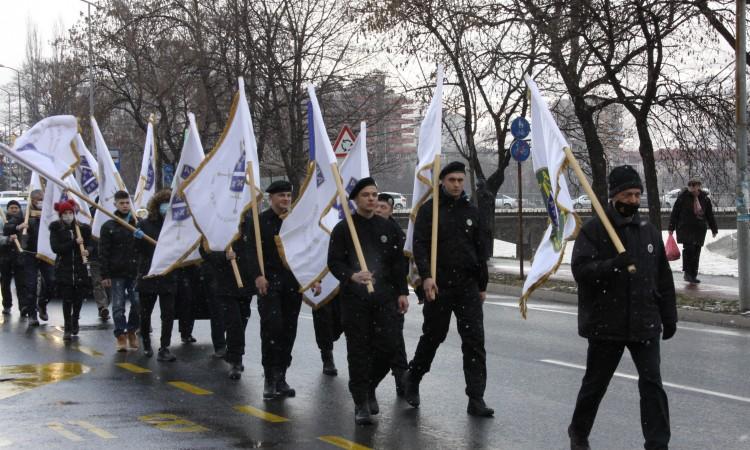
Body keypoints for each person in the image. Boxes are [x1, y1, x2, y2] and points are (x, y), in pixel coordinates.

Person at [567, 165, 677, 450]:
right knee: (595, 384)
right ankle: (578, 432)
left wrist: (669, 315)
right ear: (615, 196)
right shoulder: (594, 231)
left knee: (652, 386)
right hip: (607, 323)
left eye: (637, 194)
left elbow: (663, 277)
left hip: (645, 322)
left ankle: (657, 442)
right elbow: (581, 271)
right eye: (627, 194)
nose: (633, 199)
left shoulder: (649, 232)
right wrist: (612, 266)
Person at [402, 161, 494, 417]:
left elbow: (480, 250)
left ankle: (476, 398)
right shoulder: (430, 210)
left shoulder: (470, 210)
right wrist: (427, 277)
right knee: (434, 336)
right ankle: (414, 378)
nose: (456, 184)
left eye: (460, 180)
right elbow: (420, 245)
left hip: (467, 285)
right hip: (439, 285)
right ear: (441, 181)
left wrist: (482, 285)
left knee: (474, 341)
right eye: (452, 180)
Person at [327, 177, 409, 425]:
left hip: (384, 297)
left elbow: (398, 264)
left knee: (389, 347)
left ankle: (370, 385)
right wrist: (352, 275)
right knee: (359, 351)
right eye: (366, 195)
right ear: (355, 200)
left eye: (375, 195)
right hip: (355, 300)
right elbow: (334, 262)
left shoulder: (389, 228)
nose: (372, 199)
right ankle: (361, 401)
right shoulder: (344, 229)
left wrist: (402, 292)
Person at [248, 180, 320, 399]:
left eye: (288, 196)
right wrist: (258, 276)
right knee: (272, 329)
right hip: (269, 284)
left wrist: (313, 278)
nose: (286, 200)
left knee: (289, 330)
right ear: (271, 198)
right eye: (281, 196)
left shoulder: (295, 222)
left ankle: (281, 376)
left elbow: (306, 251)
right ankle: (269, 378)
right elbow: (251, 251)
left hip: (292, 283)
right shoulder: (260, 222)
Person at [199, 218, 254, 380]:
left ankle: (233, 351)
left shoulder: (252, 225)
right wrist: (224, 256)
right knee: (233, 322)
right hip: (225, 284)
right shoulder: (217, 225)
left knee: (242, 319)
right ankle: (236, 360)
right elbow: (205, 252)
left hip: (247, 282)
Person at [134, 190, 177, 361]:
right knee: (146, 312)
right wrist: (138, 239)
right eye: (163, 204)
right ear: (156, 206)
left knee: (168, 313)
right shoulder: (145, 225)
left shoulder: (175, 225)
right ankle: (145, 342)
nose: (166, 208)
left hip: (168, 274)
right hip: (149, 274)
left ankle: (165, 347)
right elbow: (138, 249)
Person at [374, 192, 408, 397]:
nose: (378, 210)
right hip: (367, 294)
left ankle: (401, 379)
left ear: (391, 210)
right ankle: (367, 387)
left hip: (391, 293)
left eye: (383, 208)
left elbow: (400, 268)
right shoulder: (363, 229)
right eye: (376, 207)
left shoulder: (396, 233)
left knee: (394, 339)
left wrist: (402, 293)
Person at [99, 191, 140, 352]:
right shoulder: (109, 226)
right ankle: (120, 335)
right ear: (115, 204)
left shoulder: (137, 223)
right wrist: (105, 274)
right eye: (121, 203)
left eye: (127, 203)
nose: (124, 206)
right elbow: (103, 252)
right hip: (116, 273)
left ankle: (131, 330)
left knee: (137, 303)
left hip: (134, 271)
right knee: (118, 306)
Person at [49, 200, 93, 341]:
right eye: (65, 213)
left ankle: (75, 318)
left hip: (80, 268)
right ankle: (67, 326)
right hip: (65, 268)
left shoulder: (83, 228)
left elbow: (92, 245)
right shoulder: (56, 228)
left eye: (70, 213)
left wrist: (87, 250)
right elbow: (56, 248)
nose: (68, 216)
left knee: (79, 297)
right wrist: (73, 243)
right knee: (67, 299)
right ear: (61, 215)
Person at [668, 179, 718, 284]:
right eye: (690, 185)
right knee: (689, 249)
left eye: (695, 185)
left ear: (699, 186)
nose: (693, 188)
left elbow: (709, 215)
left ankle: (693, 274)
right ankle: (687, 273)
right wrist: (671, 227)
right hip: (685, 228)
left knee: (696, 251)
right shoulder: (683, 197)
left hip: (699, 229)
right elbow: (675, 213)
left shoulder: (705, 198)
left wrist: (714, 229)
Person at [22, 189, 56, 323]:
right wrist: (20, 227)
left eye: (42, 199)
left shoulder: (49, 214)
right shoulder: (25, 214)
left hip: (45, 254)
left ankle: (42, 303)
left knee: (51, 282)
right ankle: (32, 314)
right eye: (38, 199)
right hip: (30, 254)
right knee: (31, 285)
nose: (40, 202)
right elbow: (10, 226)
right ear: (32, 200)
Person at [1, 200, 28, 321]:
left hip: (19, 256)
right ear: (7, 209)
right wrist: (8, 239)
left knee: (21, 283)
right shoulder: (2, 221)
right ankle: (7, 305)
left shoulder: (24, 221)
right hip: (4, 256)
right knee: (5, 283)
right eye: (11, 208)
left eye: (16, 208)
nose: (14, 210)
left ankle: (23, 306)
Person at [312, 295, 343, 376]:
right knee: (322, 315)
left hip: (345, 284)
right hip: (320, 284)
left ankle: (357, 360)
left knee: (344, 314)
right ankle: (327, 356)